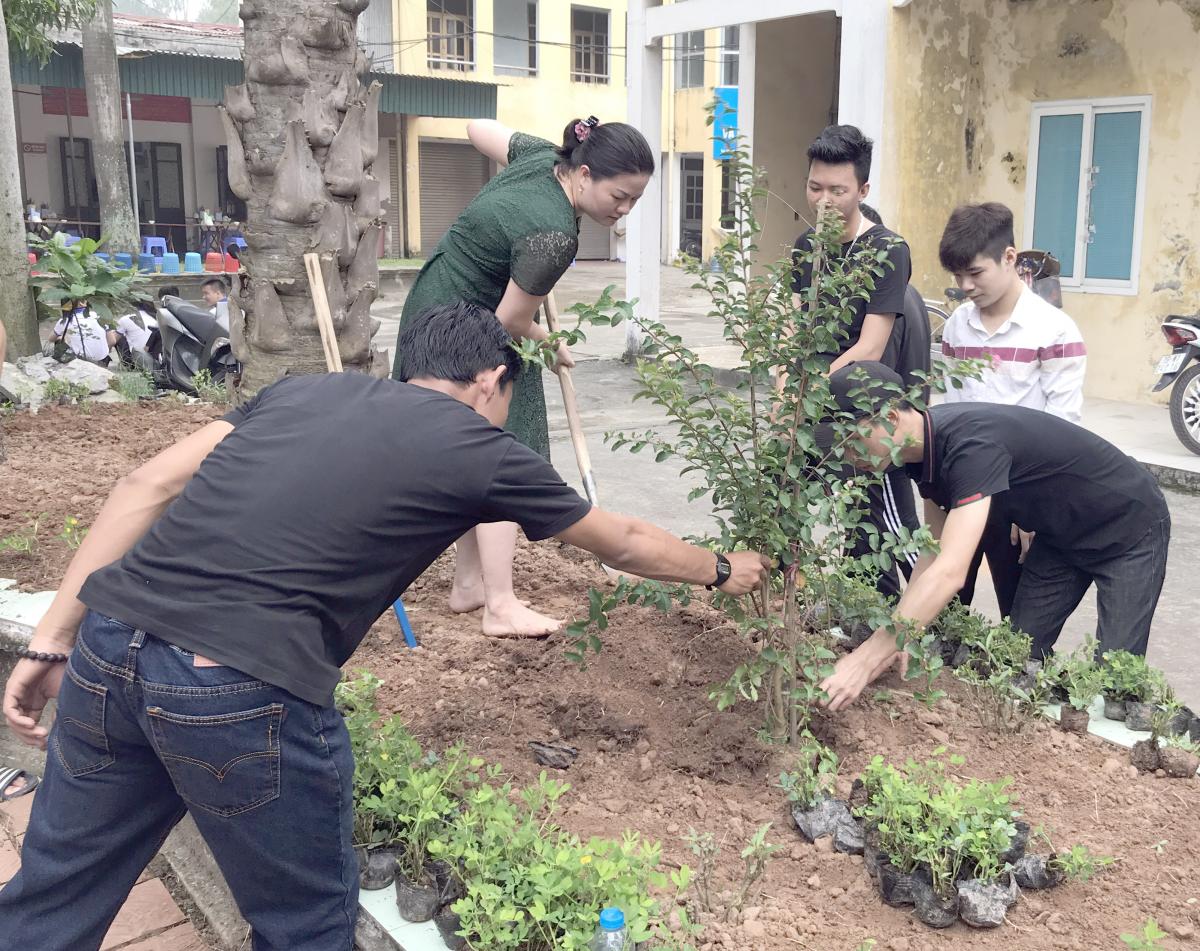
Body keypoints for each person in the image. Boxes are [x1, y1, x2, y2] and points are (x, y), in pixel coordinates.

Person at [0, 301, 769, 950]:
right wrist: (725, 569)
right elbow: (625, 542)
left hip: (112, 642)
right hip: (233, 686)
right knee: (304, 926)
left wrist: (51, 636)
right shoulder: (478, 445)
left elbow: (145, 484)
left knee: (55, 888)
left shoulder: (303, 392)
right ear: (491, 380)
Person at [391, 115, 655, 638]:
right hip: (470, 334)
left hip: (432, 309)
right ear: (583, 175)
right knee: (505, 451)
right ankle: (500, 605)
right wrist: (548, 342)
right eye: (619, 196)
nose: (623, 211)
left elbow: (476, 128)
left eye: (634, 201)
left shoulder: (540, 156)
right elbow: (510, 322)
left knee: (467, 447)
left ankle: (469, 585)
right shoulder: (554, 235)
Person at [815, 361, 1171, 712]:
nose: (848, 456)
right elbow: (933, 552)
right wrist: (904, 631)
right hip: (1059, 541)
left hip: (1128, 528)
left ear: (890, 419)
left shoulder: (971, 447)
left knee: (1117, 684)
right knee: (1016, 656)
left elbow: (951, 572)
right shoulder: (919, 454)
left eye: (851, 441)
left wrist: (863, 661)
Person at [786, 124, 919, 599]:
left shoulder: (886, 248)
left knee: (875, 501)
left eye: (837, 190)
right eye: (814, 187)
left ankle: (927, 606)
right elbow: (798, 330)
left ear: (862, 190)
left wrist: (811, 387)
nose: (823, 200)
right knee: (787, 482)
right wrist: (787, 383)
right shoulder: (805, 248)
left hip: (864, 390)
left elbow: (871, 345)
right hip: (818, 388)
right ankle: (799, 594)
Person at [937, 202, 1088, 616]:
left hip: (1021, 488)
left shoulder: (1054, 329)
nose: (966, 286)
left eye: (975, 273)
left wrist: (1037, 506)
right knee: (946, 608)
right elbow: (950, 409)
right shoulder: (956, 326)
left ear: (1009, 258)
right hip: (966, 486)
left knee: (1018, 621)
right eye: (957, 276)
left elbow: (1063, 427)